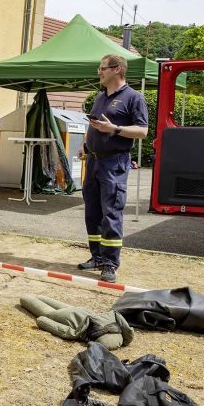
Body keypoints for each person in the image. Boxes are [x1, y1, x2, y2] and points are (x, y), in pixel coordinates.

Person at [77, 54, 149, 284]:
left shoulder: (133, 97)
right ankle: (97, 256)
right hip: (94, 161)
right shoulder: (100, 97)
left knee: (111, 212)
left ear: (117, 70)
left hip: (114, 162)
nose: (99, 72)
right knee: (92, 212)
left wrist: (115, 128)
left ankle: (110, 263)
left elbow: (142, 131)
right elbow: (94, 124)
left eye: (102, 68)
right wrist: (85, 145)